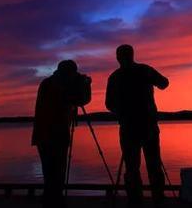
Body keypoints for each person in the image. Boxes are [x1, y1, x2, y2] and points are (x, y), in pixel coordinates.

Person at [105, 44, 169, 205]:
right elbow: (164, 83)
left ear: (118, 58)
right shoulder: (145, 70)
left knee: (132, 167)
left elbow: (109, 104)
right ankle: (158, 200)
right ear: (132, 55)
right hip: (148, 126)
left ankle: (135, 201)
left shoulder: (114, 77)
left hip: (128, 128)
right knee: (153, 164)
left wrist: (121, 112)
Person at [31, 60, 92, 208]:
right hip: (56, 134)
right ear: (69, 73)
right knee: (58, 170)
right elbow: (82, 100)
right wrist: (86, 85)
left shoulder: (47, 83)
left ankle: (49, 198)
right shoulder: (61, 86)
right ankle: (55, 200)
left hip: (41, 134)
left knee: (49, 169)